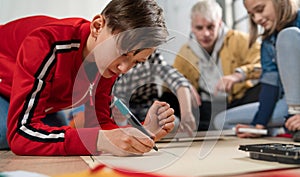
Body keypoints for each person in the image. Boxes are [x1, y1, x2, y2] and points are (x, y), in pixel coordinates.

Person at [0, 0, 176, 156]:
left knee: (56, 134)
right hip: (5, 90)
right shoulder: (48, 44)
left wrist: (142, 133)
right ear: (98, 26)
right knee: (6, 133)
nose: (123, 69)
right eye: (122, 53)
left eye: (136, 62)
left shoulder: (106, 64)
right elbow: (20, 134)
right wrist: (98, 140)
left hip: (42, 104)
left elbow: (99, 127)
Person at [170, 0, 261, 131]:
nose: (205, 34)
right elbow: (172, 77)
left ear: (219, 23)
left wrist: (238, 75)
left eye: (211, 27)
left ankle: (215, 125)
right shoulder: (185, 51)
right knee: (169, 98)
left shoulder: (240, 40)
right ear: (192, 27)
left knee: (264, 87)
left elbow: (264, 63)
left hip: (238, 101)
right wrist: (185, 86)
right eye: (199, 28)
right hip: (206, 106)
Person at [216, 0, 300, 140]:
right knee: (222, 121)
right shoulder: (267, 43)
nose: (257, 19)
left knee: (288, 35)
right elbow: (270, 87)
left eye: (260, 9)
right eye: (252, 15)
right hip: (288, 106)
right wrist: (258, 126)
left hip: (296, 108)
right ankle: (284, 125)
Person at [112, 50, 197, 134]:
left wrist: (187, 113)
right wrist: (121, 120)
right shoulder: (113, 60)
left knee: (174, 124)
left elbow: (175, 79)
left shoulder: (151, 54)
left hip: (148, 108)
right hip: (121, 115)